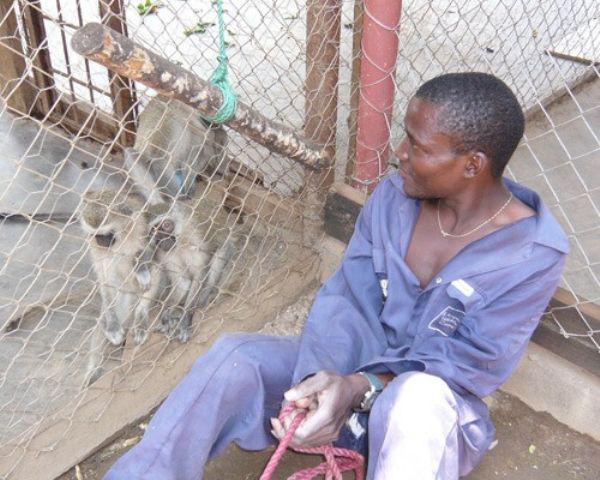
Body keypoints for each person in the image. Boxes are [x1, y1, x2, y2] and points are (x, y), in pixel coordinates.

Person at [105, 72, 568, 480]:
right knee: (235, 358)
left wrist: (361, 388)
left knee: (416, 401)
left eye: (418, 147)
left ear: (472, 165)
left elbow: (469, 366)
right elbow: (349, 297)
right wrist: (318, 383)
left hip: (418, 418)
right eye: (404, 137)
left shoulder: (531, 255)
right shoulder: (393, 198)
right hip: (346, 376)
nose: (399, 154)